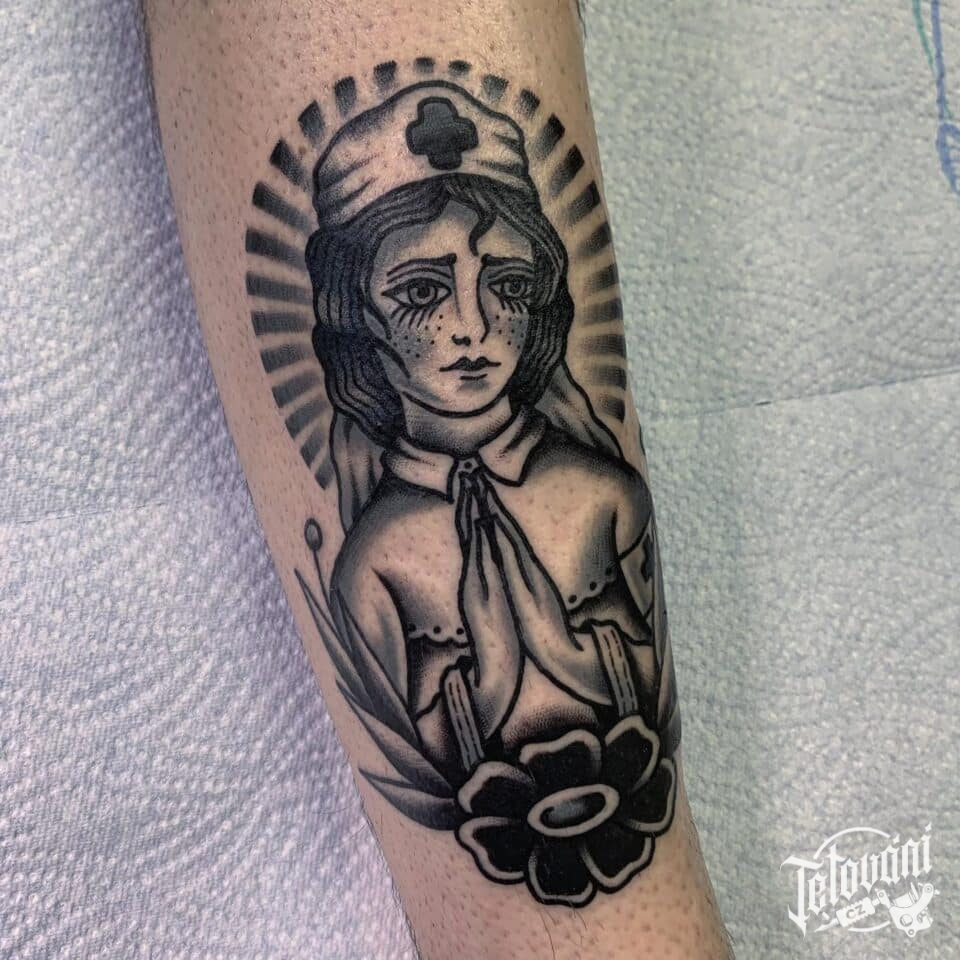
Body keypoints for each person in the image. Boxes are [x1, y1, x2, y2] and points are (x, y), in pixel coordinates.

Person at [146, 0, 732, 954]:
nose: (473, 327)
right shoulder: (377, 560)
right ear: (355, 315)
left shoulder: (602, 499)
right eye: (422, 291)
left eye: (507, 285)